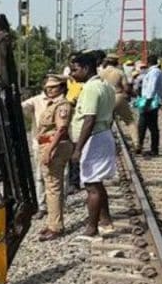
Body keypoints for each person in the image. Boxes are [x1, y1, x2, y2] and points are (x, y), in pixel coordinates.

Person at [71, 51, 117, 240]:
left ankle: (91, 229)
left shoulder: (91, 88)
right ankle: (106, 221)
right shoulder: (106, 86)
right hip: (103, 135)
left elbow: (89, 119)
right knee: (97, 182)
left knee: (91, 186)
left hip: (94, 138)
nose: (72, 74)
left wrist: (78, 148)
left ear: (86, 68)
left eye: (75, 69)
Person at [35, 75, 75, 241]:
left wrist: (49, 150)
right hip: (50, 145)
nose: (50, 90)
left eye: (54, 87)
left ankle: (56, 226)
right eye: (47, 87)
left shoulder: (62, 105)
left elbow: (61, 129)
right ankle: (52, 222)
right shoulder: (53, 104)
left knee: (53, 187)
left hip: (54, 146)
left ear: (62, 87)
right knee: (51, 186)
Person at [135, 54, 162, 156]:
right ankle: (145, 147)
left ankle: (148, 148)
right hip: (150, 100)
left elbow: (151, 88)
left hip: (150, 101)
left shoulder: (154, 72)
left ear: (148, 62)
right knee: (147, 124)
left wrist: (147, 102)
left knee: (145, 125)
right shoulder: (154, 71)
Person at [64, 63, 84, 191]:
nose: (72, 74)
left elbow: (72, 102)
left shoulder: (81, 86)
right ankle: (74, 181)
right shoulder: (71, 84)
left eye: (74, 71)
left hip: (77, 124)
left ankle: (74, 182)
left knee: (75, 153)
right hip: (72, 123)